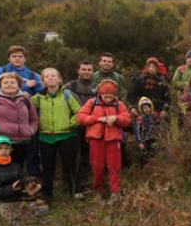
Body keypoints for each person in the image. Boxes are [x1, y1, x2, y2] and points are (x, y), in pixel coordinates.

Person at [30, 68, 81, 202]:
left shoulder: (67, 95)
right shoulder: (37, 98)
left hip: (67, 136)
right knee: (47, 167)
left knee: (69, 165)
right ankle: (47, 194)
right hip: (45, 137)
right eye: (47, 76)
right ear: (43, 81)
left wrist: (70, 123)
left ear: (59, 79)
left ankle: (71, 191)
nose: (51, 78)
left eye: (54, 76)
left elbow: (80, 112)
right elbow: (26, 110)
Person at [76, 79, 131, 203]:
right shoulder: (92, 103)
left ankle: (115, 193)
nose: (108, 99)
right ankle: (98, 190)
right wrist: (97, 119)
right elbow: (80, 117)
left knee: (114, 167)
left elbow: (127, 119)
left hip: (113, 140)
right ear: (100, 94)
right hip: (96, 140)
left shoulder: (119, 104)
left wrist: (116, 118)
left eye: (111, 97)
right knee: (97, 167)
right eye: (106, 96)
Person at [0, 72, 38, 170]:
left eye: (13, 82)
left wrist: (30, 130)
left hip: (22, 143)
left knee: (17, 171)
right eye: (5, 83)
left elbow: (34, 119)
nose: (9, 84)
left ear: (18, 85)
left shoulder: (26, 100)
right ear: (0, 85)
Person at [65, 61, 97, 189]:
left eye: (89, 70)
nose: (86, 72)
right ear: (78, 71)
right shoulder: (69, 86)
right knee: (71, 155)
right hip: (73, 125)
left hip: (91, 125)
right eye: (84, 69)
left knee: (87, 155)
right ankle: (68, 183)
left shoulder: (97, 87)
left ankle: (82, 183)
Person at [131, 97, 165, 166]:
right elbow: (137, 131)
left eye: (148, 107)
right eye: (144, 108)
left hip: (154, 138)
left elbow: (160, 126)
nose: (146, 109)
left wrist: (160, 134)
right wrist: (139, 142)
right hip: (144, 140)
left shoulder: (154, 116)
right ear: (141, 109)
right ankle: (144, 169)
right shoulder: (140, 119)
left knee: (155, 153)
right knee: (144, 155)